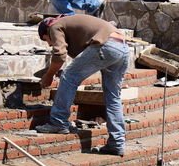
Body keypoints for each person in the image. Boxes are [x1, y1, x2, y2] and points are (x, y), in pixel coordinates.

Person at [36, 14, 130, 156]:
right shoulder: (72, 26)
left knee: (68, 76)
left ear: (46, 31)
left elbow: (59, 55)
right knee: (113, 97)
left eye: (46, 40)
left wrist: (49, 75)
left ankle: (58, 122)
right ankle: (117, 144)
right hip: (122, 47)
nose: (49, 44)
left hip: (107, 45)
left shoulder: (54, 26)